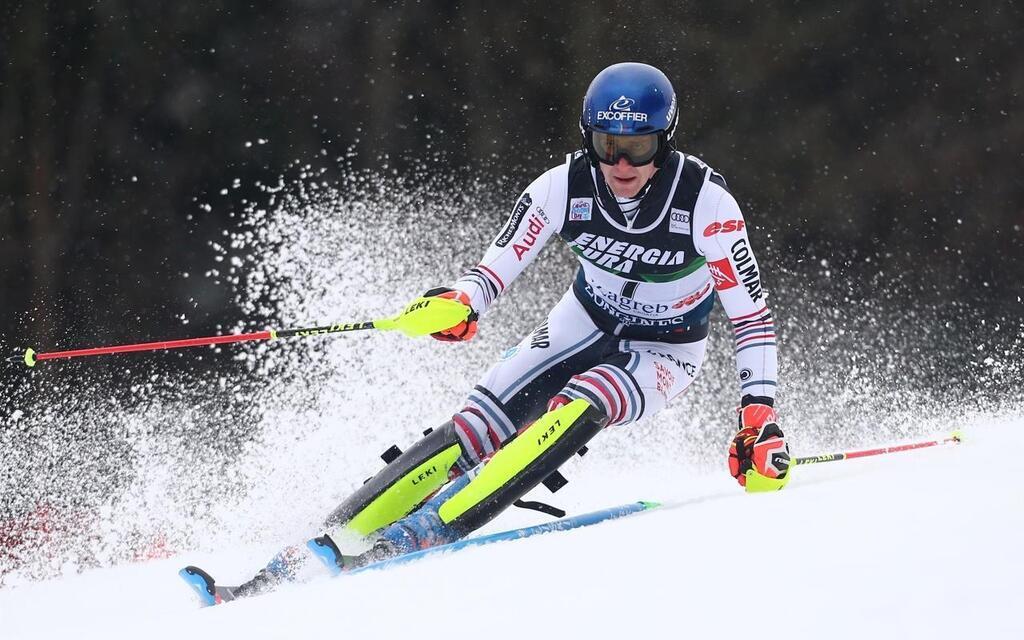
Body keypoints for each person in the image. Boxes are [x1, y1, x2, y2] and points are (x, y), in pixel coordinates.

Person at [215, 61, 790, 600]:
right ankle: (332, 536)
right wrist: (461, 304)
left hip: (663, 348)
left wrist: (757, 417)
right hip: (582, 322)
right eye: (606, 145)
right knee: (478, 423)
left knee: (583, 400)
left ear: (664, 141)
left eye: (637, 148)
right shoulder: (561, 187)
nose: (620, 165)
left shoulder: (708, 205)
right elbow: (494, 269)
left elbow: (752, 316)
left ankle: (425, 530)